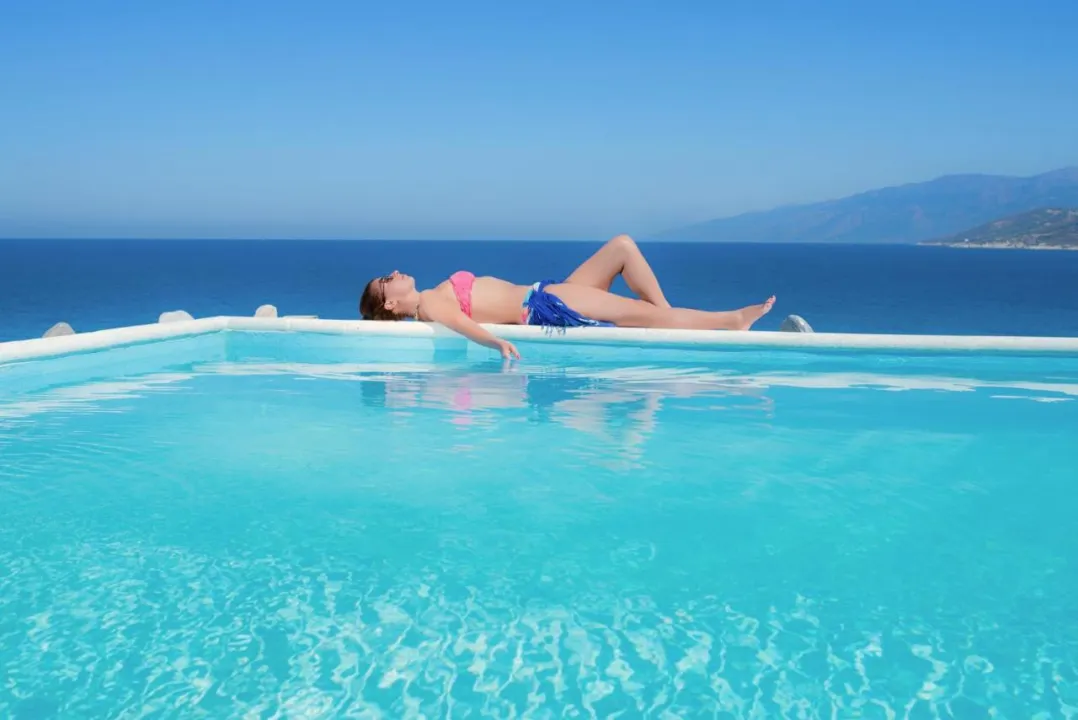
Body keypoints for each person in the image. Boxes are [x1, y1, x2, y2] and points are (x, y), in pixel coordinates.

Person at [358, 234, 776, 359]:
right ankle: (732, 321)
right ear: (390, 303)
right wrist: (496, 342)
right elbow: (461, 324)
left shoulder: (434, 295)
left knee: (622, 247)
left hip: (546, 292)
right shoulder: (430, 302)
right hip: (544, 305)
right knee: (639, 310)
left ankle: (666, 319)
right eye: (386, 280)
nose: (395, 272)